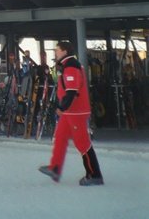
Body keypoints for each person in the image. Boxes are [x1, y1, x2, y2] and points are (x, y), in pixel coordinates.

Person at [39, 40, 104, 186]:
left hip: (76, 112)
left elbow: (72, 91)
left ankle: (94, 175)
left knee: (83, 143)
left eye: (57, 50)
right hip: (70, 112)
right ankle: (55, 167)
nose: (55, 52)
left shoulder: (71, 67)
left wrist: (62, 108)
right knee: (60, 137)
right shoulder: (67, 66)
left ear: (64, 51)